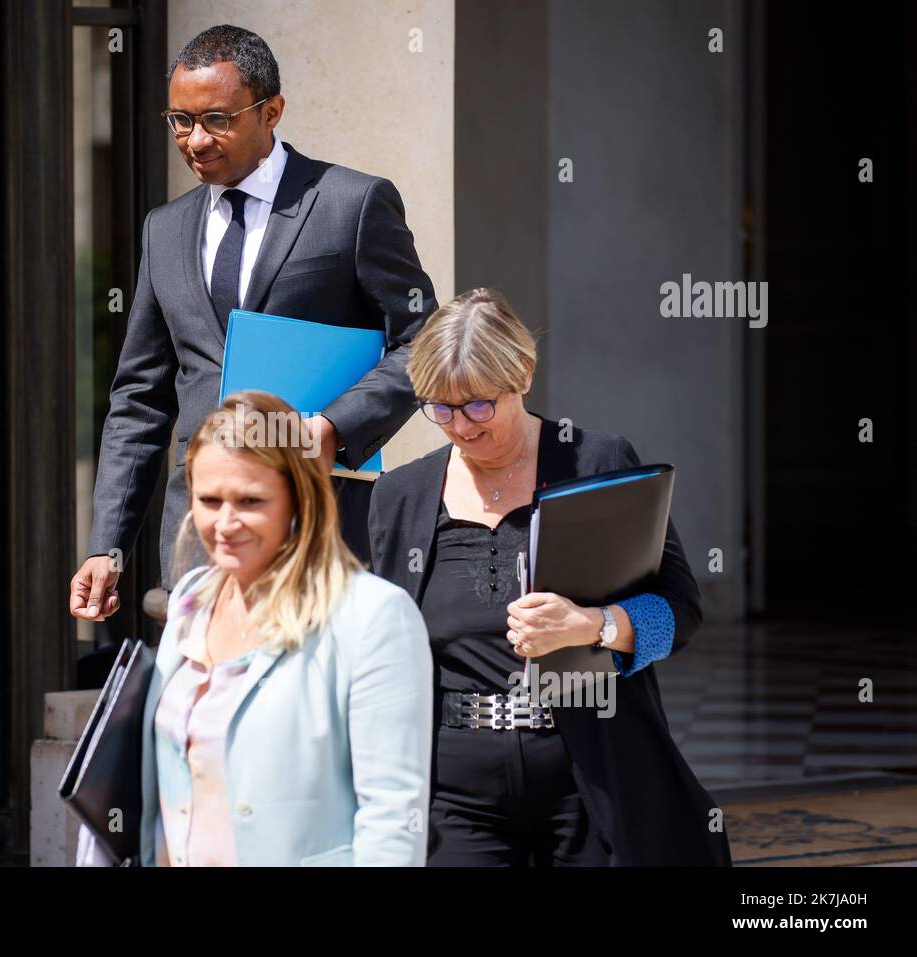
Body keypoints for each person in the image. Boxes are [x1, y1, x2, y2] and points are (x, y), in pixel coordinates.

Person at [69, 24, 437, 624]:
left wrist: (334, 428)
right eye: (180, 121)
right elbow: (140, 397)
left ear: (272, 112)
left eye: (217, 119)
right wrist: (106, 546)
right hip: (200, 534)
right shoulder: (164, 229)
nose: (194, 140)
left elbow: (424, 343)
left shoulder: (351, 203)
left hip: (320, 518)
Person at [367, 287, 732, 866]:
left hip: (588, 773)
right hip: (453, 789)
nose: (461, 426)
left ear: (524, 376)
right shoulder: (400, 496)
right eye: (439, 408)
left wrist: (593, 625)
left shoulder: (599, 463)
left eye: (479, 405)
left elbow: (679, 615)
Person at [77, 391, 432, 866]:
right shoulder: (190, 601)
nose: (225, 523)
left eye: (250, 500)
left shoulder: (372, 616)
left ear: (298, 498)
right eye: (208, 500)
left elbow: (392, 822)